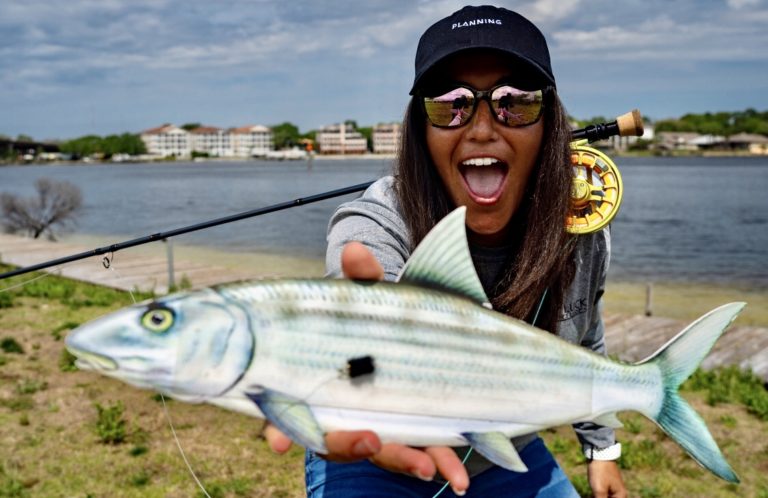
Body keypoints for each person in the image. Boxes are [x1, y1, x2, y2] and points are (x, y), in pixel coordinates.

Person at [266, 5, 627, 497]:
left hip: (507, 448)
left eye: (515, 101)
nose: (481, 128)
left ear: (549, 125)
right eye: (449, 104)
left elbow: (584, 335)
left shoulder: (579, 234)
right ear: (421, 129)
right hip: (382, 455)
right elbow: (352, 305)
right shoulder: (376, 222)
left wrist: (601, 449)